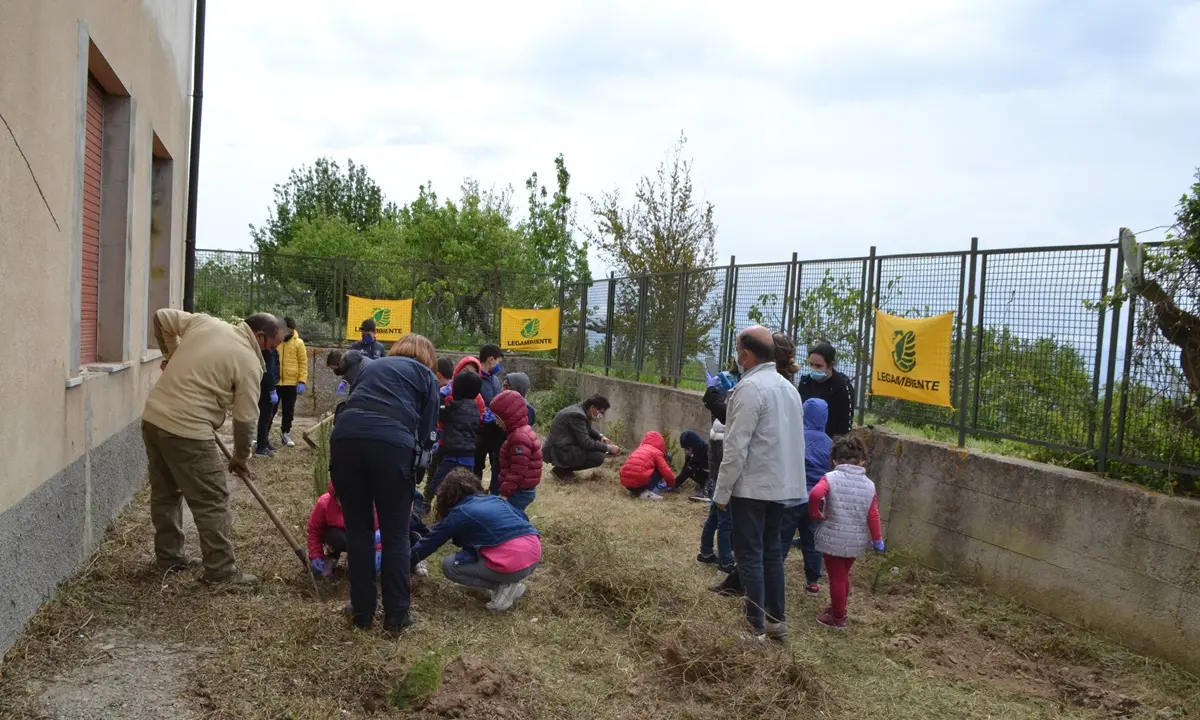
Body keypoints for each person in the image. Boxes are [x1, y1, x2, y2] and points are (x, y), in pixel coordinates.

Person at [142, 311, 284, 585]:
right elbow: (245, 422)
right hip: (187, 431)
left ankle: (169, 557)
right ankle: (221, 572)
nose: (273, 352)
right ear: (260, 336)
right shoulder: (249, 363)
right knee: (212, 501)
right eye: (274, 346)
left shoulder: (206, 323)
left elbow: (160, 318)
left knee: (166, 494)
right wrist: (241, 457)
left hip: (153, 419)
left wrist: (172, 355)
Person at [329, 333, 440, 633]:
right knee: (394, 535)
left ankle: (361, 612)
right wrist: (416, 474)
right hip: (391, 447)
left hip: (345, 440)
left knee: (359, 531)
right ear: (428, 357)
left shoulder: (373, 366)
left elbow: (355, 403)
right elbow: (429, 436)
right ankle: (397, 616)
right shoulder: (427, 376)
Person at [713, 325, 807, 641]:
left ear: (747, 354)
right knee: (770, 555)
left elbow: (735, 446)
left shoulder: (749, 389)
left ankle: (755, 628)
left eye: (738, 350)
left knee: (750, 556)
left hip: (753, 488)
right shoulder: (788, 389)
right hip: (782, 487)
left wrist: (722, 492)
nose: (737, 357)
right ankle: (776, 620)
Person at [411, 468, 542, 612]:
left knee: (450, 566)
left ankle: (503, 587)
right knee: (473, 553)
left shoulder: (460, 512)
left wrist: (402, 564)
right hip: (534, 554)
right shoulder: (495, 499)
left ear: (447, 495)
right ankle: (508, 583)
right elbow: (523, 519)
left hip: (513, 561)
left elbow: (429, 542)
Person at [809, 435, 884, 630]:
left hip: (833, 538)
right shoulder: (869, 485)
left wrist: (815, 512)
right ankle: (837, 607)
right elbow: (873, 514)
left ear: (834, 460)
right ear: (862, 461)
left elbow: (816, 494)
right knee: (844, 575)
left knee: (837, 578)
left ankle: (838, 618)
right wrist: (877, 540)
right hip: (856, 541)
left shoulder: (830, 478)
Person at [782, 398, 833, 594]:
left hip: (792, 497)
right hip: (817, 501)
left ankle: (776, 570)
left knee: (782, 538)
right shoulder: (829, 442)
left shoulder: (794, 436)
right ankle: (813, 581)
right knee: (812, 543)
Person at [698, 374, 735, 575]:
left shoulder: (716, 424)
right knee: (725, 521)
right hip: (727, 479)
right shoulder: (728, 425)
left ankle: (704, 553)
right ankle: (726, 561)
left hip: (718, 476)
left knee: (714, 516)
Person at [307, 481, 381, 579]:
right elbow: (314, 531)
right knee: (334, 536)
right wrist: (315, 555)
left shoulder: (368, 504)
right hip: (339, 538)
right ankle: (331, 558)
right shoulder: (324, 504)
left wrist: (379, 549)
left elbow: (378, 529)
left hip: (363, 540)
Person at [427, 370, 483, 500]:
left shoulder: (454, 406)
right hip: (469, 456)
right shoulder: (475, 409)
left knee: (437, 485)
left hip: (452, 455)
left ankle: (431, 506)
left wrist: (441, 395)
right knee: (465, 487)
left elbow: (439, 412)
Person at [544, 395, 620, 481]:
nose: (601, 416)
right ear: (592, 408)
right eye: (601, 412)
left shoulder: (580, 410)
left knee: (597, 450)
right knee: (598, 457)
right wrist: (609, 448)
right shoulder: (577, 415)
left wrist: (601, 436)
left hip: (562, 446)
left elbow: (588, 428)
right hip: (559, 450)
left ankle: (564, 470)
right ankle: (561, 471)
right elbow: (587, 443)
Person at [492, 389, 543, 513]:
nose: (496, 422)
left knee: (509, 518)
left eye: (498, 418)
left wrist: (505, 493)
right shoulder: (521, 431)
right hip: (520, 488)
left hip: (519, 490)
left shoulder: (518, 437)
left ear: (508, 417)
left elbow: (518, 470)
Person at [798, 342, 855, 439]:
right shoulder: (805, 383)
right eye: (811, 364)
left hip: (830, 441)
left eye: (818, 366)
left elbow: (844, 424)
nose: (813, 369)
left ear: (830, 365)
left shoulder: (842, 387)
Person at [474, 344, 506, 494]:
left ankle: (494, 494)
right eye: (498, 362)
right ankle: (475, 493)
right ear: (491, 360)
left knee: (498, 464)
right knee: (477, 465)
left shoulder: (496, 381)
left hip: (497, 432)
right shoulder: (474, 378)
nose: (499, 365)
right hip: (479, 432)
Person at [277, 317, 308, 448]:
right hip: (275, 382)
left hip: (291, 383)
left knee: (288, 410)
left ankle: (286, 433)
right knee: (268, 411)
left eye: (290, 331)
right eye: (286, 330)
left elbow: (303, 363)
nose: (287, 333)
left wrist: (302, 381)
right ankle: (262, 435)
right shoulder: (276, 341)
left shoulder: (299, 343)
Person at [619, 432, 676, 500]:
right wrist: (671, 485)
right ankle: (646, 492)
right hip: (639, 482)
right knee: (660, 470)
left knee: (643, 469)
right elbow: (666, 471)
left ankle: (634, 492)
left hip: (626, 483)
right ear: (661, 444)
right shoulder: (656, 452)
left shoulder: (639, 449)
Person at [254, 337, 281, 458]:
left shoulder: (273, 351)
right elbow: (267, 372)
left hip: (272, 387)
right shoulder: (266, 352)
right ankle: (261, 448)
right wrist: (271, 390)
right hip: (266, 390)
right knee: (264, 418)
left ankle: (265, 442)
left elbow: (275, 369)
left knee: (269, 417)